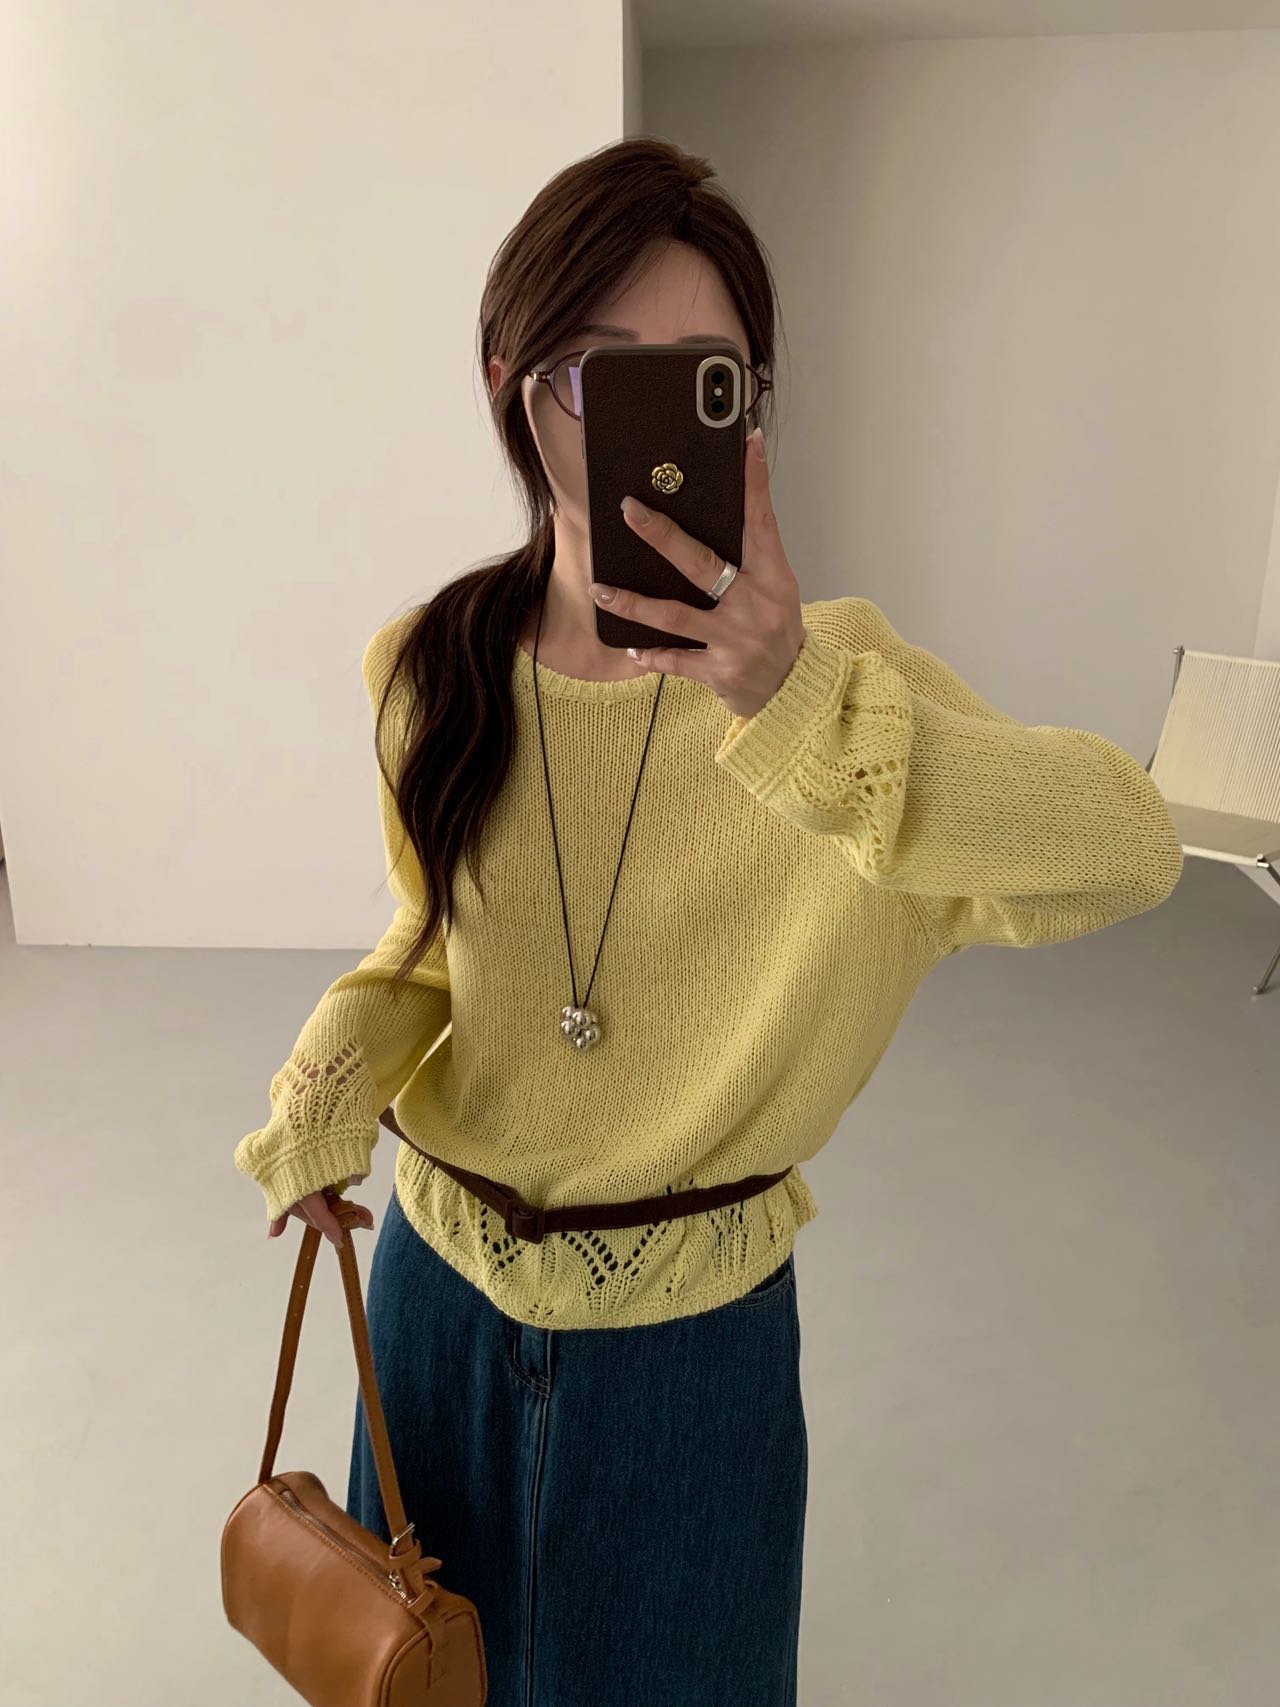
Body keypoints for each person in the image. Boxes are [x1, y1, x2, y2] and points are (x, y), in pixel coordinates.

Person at [233, 135, 1184, 1707]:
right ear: (510, 385)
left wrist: (796, 703)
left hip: (687, 1359)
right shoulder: (433, 666)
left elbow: (1128, 849)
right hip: (432, 1303)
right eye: (601, 376)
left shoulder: (844, 694)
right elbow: (424, 942)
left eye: (706, 383)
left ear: (751, 412)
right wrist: (324, 1096)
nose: (651, 427)